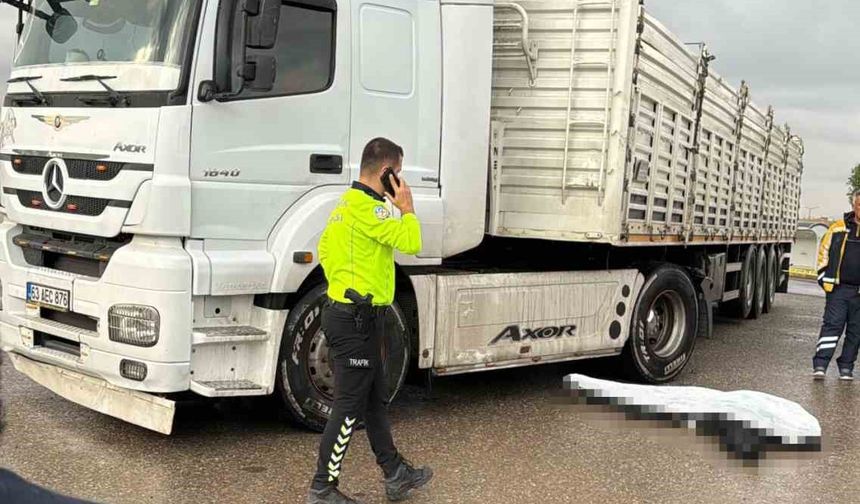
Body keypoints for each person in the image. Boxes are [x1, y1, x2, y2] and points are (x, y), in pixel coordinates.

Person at [307, 138, 433, 504]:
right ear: (386, 173)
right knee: (349, 405)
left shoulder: (344, 205)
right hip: (356, 320)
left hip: (352, 313)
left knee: (374, 400)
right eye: (399, 174)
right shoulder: (372, 210)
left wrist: (347, 284)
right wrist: (406, 208)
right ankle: (322, 488)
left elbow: (327, 252)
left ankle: (395, 473)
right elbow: (412, 242)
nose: (401, 181)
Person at [812, 190, 860, 380]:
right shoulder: (838, 228)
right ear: (854, 206)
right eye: (859, 205)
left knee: (856, 331)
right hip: (839, 289)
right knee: (832, 326)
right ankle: (820, 365)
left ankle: (846, 367)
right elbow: (824, 253)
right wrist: (824, 278)